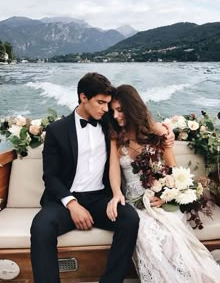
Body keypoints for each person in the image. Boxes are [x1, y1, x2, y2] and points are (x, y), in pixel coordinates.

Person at [107, 84, 220, 283]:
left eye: (120, 110)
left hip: (161, 200)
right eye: (112, 110)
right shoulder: (116, 137)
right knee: (145, 234)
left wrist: (165, 195)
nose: (115, 116)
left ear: (132, 108)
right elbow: (114, 169)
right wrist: (116, 193)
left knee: (169, 235)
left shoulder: (158, 133)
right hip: (134, 204)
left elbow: (173, 169)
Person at [30, 73, 140, 283]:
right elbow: (50, 177)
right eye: (100, 103)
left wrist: (166, 132)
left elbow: (139, 121)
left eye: (108, 103)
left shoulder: (110, 123)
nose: (105, 109)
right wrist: (72, 204)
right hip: (65, 201)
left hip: (101, 199)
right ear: (83, 97)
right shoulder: (57, 130)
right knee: (40, 227)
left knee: (130, 219)